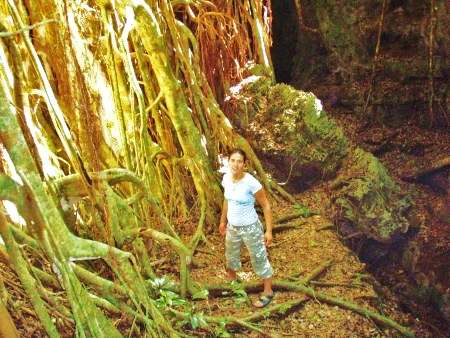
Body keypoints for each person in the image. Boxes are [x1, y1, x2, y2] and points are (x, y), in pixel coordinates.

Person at [219, 148, 274, 308]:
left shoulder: (251, 182)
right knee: (231, 256)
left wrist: (268, 231)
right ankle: (233, 285)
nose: (235, 164)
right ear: (228, 162)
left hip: (251, 228)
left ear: (244, 164)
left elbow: (266, 206)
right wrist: (223, 221)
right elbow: (226, 200)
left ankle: (268, 291)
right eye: (233, 160)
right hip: (232, 227)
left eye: (239, 161)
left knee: (259, 258)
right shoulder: (226, 179)